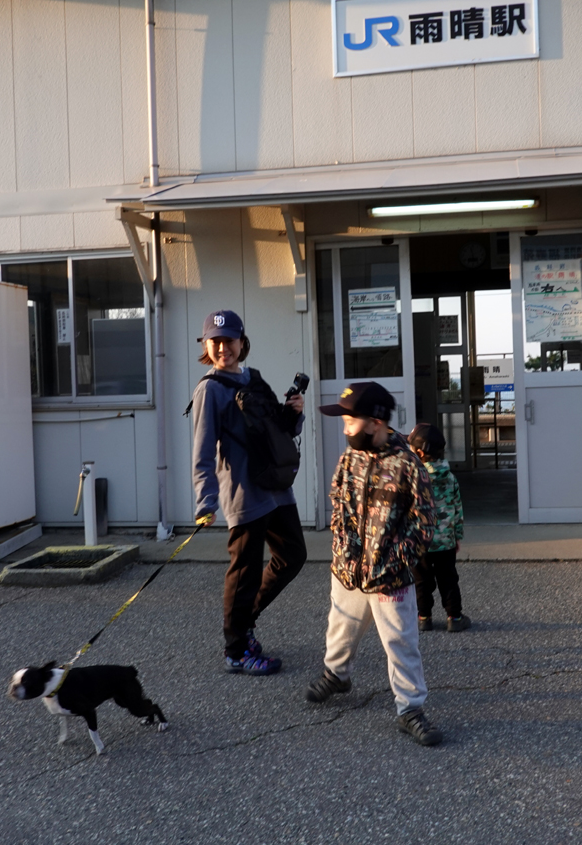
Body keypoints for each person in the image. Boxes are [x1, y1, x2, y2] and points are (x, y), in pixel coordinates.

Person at [307, 382, 443, 746]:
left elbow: (424, 523)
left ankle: (410, 708)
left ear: (374, 421)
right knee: (342, 625)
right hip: (349, 572)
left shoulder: (409, 465)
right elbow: (339, 507)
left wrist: (393, 561)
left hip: (391, 578)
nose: (344, 426)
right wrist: (345, 555)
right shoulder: (348, 459)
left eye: (350, 419)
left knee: (401, 642)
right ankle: (337, 674)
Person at [189, 309, 306, 676]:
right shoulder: (209, 389)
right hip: (243, 493)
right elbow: (203, 450)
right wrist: (205, 502)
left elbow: (277, 426)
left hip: (274, 488)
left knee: (294, 555)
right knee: (244, 573)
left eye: (230, 340)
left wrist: (295, 412)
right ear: (207, 346)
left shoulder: (252, 378)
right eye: (217, 341)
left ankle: (245, 621)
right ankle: (236, 650)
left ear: (242, 342)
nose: (224, 348)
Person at [407, 423, 470, 633]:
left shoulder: (412, 478)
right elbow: (457, 509)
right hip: (446, 541)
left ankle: (424, 618)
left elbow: (406, 510)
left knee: (421, 581)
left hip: (419, 541)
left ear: (420, 452)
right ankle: (455, 617)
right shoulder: (450, 478)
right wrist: (457, 536)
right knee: (449, 579)